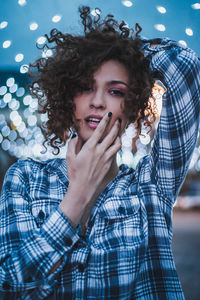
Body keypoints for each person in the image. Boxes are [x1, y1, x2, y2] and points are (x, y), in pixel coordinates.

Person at [0, 5, 200, 300]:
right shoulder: (25, 179)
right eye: (84, 87)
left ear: (131, 106)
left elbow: (184, 66)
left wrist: (122, 51)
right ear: (68, 98)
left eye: (116, 91)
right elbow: (12, 286)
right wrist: (77, 195)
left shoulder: (151, 185)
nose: (97, 101)